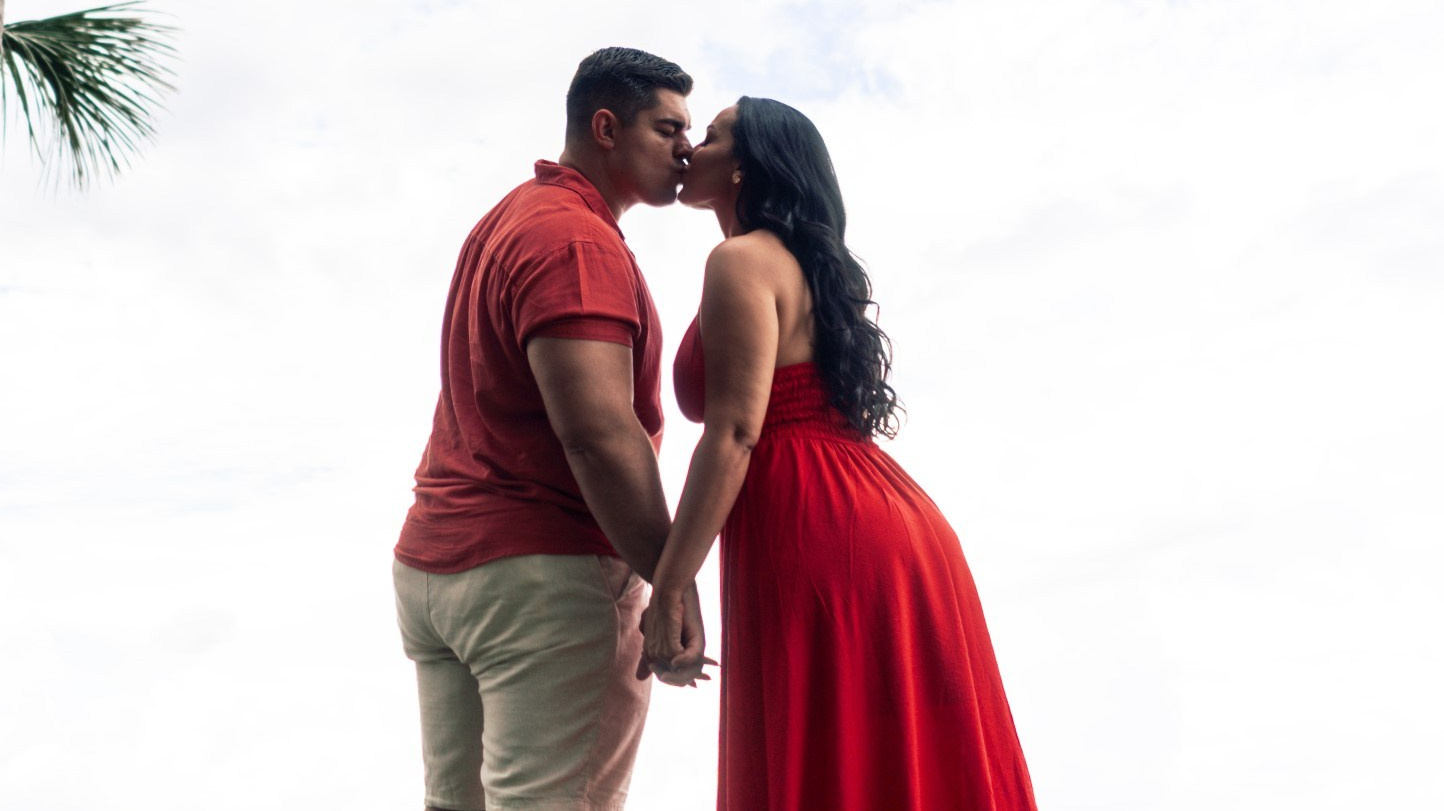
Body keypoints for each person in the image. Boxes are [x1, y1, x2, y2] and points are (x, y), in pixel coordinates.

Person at [640, 97, 1038, 811]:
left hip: (818, 520)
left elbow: (734, 430)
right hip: (887, 521)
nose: (691, 147)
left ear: (745, 167)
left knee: (831, 749)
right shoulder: (799, 266)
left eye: (713, 136)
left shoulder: (740, 260)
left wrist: (668, 584)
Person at [393, 47, 704, 811]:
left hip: (437, 566)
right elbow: (598, 432)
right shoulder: (575, 240)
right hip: (538, 576)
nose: (685, 149)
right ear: (606, 126)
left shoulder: (509, 218)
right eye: (667, 128)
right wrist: (670, 577)